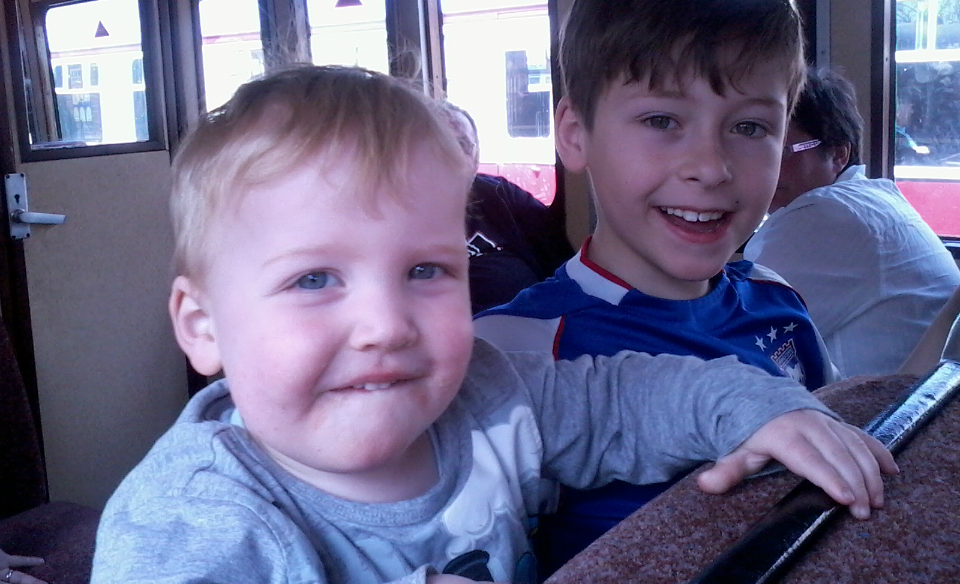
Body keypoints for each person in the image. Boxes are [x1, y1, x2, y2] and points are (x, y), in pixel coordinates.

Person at [89, 65, 896, 584]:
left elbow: (628, 396)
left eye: (425, 271)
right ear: (203, 328)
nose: (384, 323)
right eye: (313, 278)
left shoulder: (485, 397)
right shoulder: (195, 528)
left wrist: (763, 407)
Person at [473, 0, 837, 571]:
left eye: (749, 128)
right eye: (662, 119)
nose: (711, 166)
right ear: (575, 134)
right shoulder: (513, 351)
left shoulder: (778, 298)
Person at [744, 68, 960, 377]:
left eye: (784, 150)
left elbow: (740, 341)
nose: (765, 166)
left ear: (838, 155)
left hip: (871, 418)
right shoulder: (870, 201)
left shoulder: (824, 215)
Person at [443, 103, 574, 314]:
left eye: (462, 144)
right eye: (440, 145)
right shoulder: (399, 215)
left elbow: (561, 262)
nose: (453, 157)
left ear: (476, 156)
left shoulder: (500, 196)